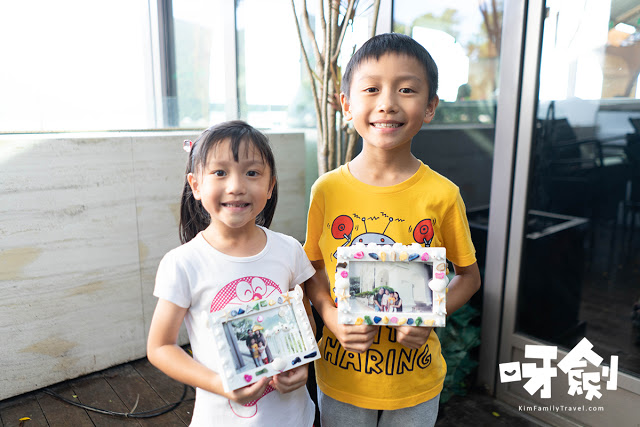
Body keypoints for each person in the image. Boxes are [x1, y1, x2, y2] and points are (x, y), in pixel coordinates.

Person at [304, 33, 481, 427]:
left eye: (406, 89)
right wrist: (330, 316)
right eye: (371, 89)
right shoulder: (327, 190)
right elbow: (311, 269)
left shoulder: (442, 195)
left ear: (430, 106)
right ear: (347, 105)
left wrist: (430, 315)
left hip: (415, 380)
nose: (387, 103)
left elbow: (468, 277)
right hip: (342, 377)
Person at [147, 121, 317, 426]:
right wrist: (221, 384)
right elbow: (160, 347)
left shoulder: (289, 250)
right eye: (220, 172)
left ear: (270, 186)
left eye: (252, 173)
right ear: (196, 185)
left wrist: (301, 363)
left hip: (294, 416)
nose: (236, 186)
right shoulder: (183, 263)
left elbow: (304, 323)